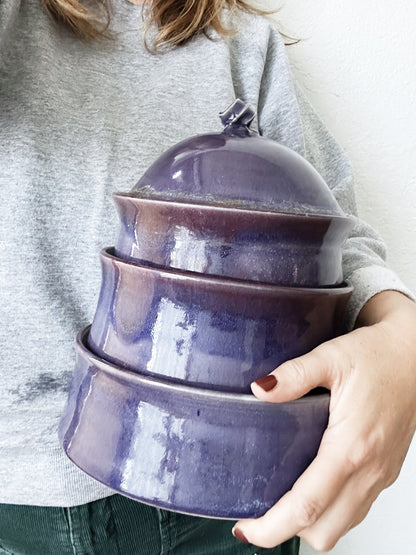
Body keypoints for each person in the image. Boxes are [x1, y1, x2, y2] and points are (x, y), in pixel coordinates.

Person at [0, 0, 415, 553]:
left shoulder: (243, 45)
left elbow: (332, 236)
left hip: (238, 478)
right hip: (19, 496)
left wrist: (400, 331)